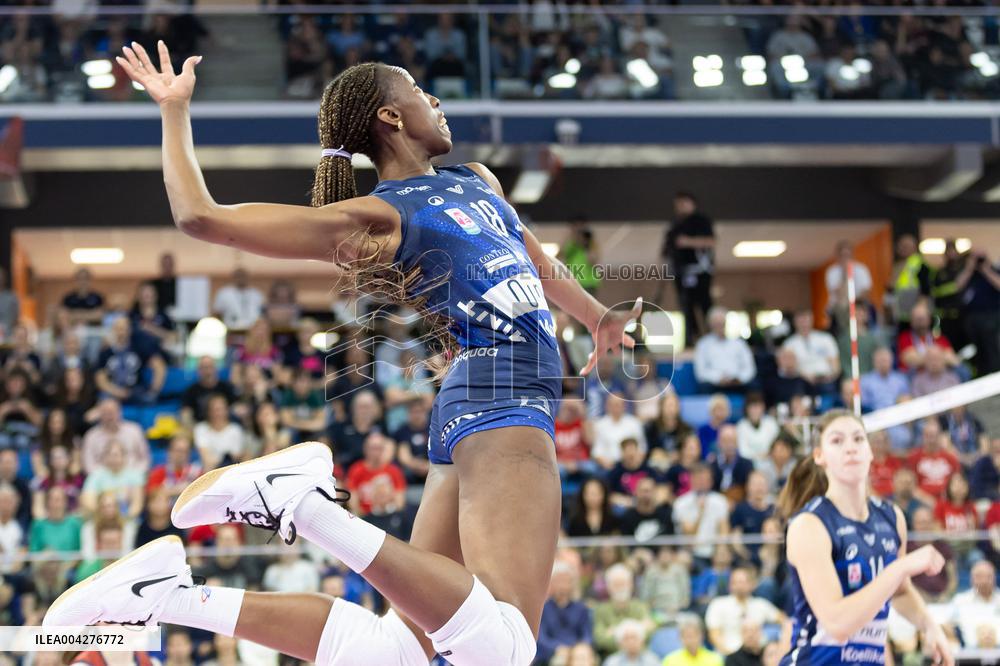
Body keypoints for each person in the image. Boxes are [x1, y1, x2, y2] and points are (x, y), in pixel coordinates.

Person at [49, 45, 640, 666]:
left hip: (474, 400)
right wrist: (174, 112)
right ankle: (301, 505)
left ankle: (167, 596)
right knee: (504, 648)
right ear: (389, 115)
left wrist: (597, 319)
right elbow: (202, 218)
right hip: (503, 387)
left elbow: (530, 257)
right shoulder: (379, 216)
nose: (436, 102)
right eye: (420, 91)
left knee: (397, 653)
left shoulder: (477, 181)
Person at [775, 409, 953, 666]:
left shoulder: (892, 517)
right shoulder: (809, 525)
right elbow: (838, 623)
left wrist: (928, 624)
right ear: (819, 456)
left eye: (858, 439)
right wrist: (901, 567)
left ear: (870, 452)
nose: (850, 448)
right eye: (837, 441)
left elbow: (900, 592)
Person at [661, 191, 715, 347]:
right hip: (680, 271)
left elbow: (711, 241)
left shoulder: (701, 221)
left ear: (692, 204)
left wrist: (688, 242)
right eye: (678, 204)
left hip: (699, 270)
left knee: (704, 303)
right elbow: (667, 247)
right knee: (685, 305)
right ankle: (692, 338)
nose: (680, 207)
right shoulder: (675, 224)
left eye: (684, 203)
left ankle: (710, 336)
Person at [705, 567, 782, 656]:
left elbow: (784, 621)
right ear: (729, 585)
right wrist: (731, 656)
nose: (739, 586)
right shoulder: (718, 604)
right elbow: (714, 635)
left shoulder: (760, 604)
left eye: (742, 582)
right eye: (735, 582)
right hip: (728, 654)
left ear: (752, 584)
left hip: (757, 655)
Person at [537, 561, 593, 665]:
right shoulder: (542, 609)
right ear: (551, 583)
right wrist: (557, 647)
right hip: (552, 654)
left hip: (576, 652)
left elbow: (587, 635)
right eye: (559, 581)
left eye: (566, 581)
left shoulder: (581, 609)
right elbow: (540, 637)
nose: (562, 585)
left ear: (572, 584)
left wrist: (578, 648)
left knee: (582, 657)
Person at [694, 307, 756, 392]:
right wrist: (719, 378)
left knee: (755, 386)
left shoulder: (739, 343)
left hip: (737, 383)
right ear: (710, 324)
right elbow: (701, 372)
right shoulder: (703, 344)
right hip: (714, 384)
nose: (719, 326)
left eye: (722, 323)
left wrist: (739, 378)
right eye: (716, 323)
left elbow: (749, 368)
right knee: (704, 387)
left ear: (726, 323)